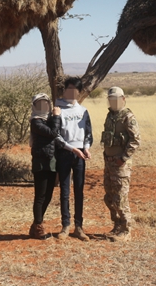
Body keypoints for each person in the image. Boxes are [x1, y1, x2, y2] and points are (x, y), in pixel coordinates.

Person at [29, 93, 85, 239]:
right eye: (40, 103)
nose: (43, 106)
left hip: (53, 162)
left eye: (45, 103)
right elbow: (54, 133)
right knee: (40, 196)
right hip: (41, 162)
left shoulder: (47, 120)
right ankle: (39, 227)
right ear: (34, 106)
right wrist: (57, 116)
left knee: (48, 195)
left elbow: (58, 140)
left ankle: (36, 224)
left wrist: (74, 150)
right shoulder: (36, 121)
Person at [54, 77, 93, 241]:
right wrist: (72, 149)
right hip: (64, 152)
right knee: (65, 190)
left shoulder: (83, 111)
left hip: (80, 155)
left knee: (79, 190)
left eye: (75, 91)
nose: (72, 93)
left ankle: (79, 227)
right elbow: (55, 135)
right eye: (69, 90)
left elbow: (89, 133)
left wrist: (86, 148)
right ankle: (65, 226)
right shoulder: (57, 109)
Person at [101, 86, 141, 241]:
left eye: (117, 99)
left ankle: (126, 230)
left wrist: (123, 158)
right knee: (109, 197)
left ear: (123, 99)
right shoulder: (110, 116)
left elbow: (135, 140)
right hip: (109, 163)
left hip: (121, 164)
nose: (114, 102)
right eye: (111, 100)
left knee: (120, 198)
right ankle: (117, 225)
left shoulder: (128, 117)